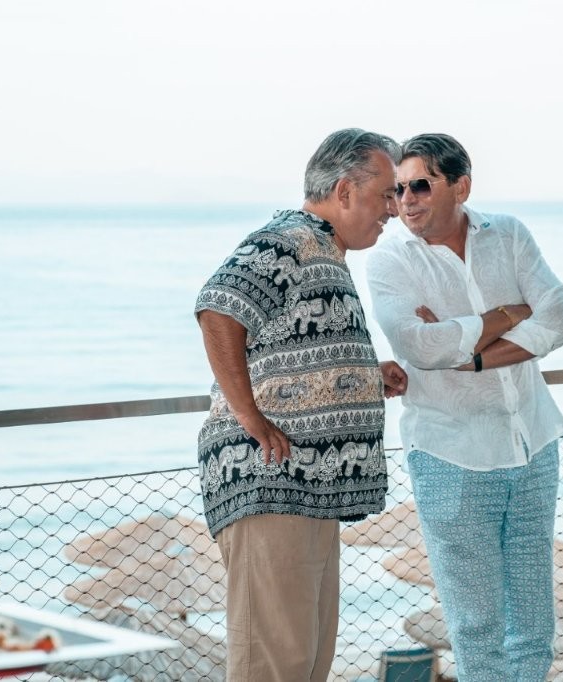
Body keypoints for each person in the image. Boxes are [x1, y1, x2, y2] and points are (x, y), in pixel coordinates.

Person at [194, 128, 408, 682]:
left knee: (307, 658)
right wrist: (250, 418)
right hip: (273, 479)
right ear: (344, 191)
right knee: (274, 661)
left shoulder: (322, 250)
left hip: (308, 487)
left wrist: (366, 377)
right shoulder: (288, 239)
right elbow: (218, 310)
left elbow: (286, 344)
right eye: (386, 193)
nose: (394, 208)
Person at [365, 133, 563, 681]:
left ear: (461, 187)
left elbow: (559, 320)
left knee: (534, 619)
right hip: (450, 454)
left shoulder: (508, 234)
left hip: (533, 442)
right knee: (477, 624)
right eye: (397, 189)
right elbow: (420, 348)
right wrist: (508, 314)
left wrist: (471, 355)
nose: (405, 200)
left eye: (420, 185)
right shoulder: (391, 259)